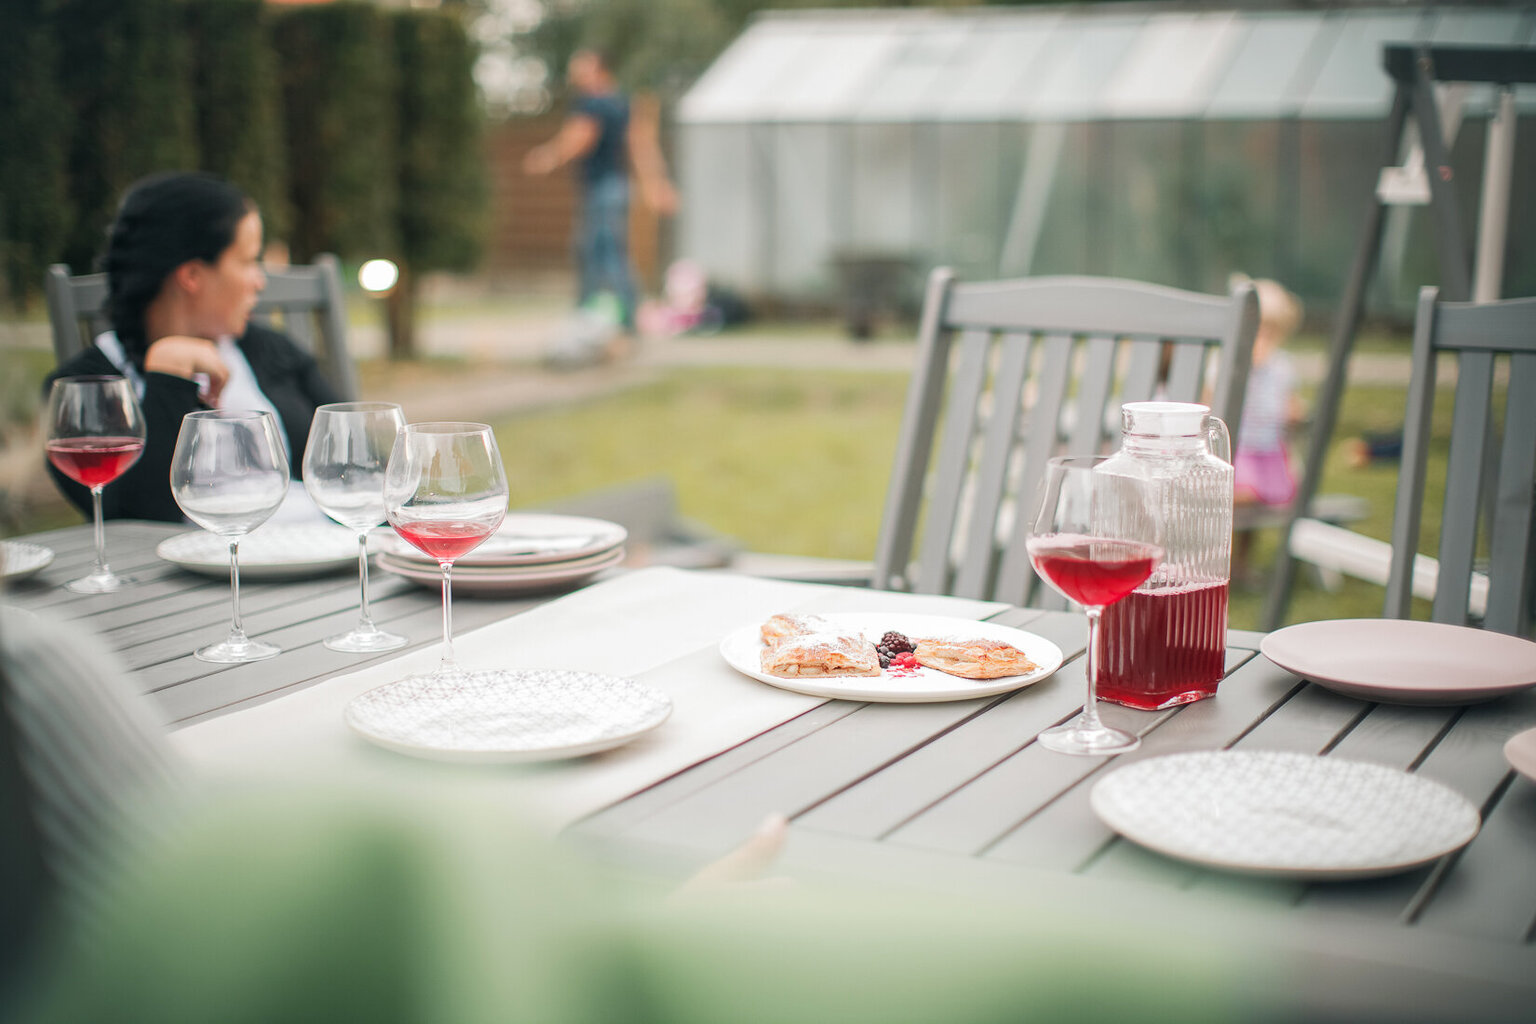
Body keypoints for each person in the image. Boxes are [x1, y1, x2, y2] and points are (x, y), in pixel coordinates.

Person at [44, 172, 339, 523]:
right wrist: (169, 376)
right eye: (247, 261)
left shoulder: (274, 352)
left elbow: (357, 468)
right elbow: (130, 521)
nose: (260, 281)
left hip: (317, 558)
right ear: (193, 276)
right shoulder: (82, 390)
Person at [523, 48, 677, 337]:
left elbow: (580, 139)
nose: (576, 75)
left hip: (602, 189)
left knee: (595, 253)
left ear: (600, 70)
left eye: (582, 69)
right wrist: (657, 184)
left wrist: (548, 156)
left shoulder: (591, 105)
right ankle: (625, 319)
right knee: (611, 253)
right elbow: (642, 148)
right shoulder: (623, 104)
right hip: (619, 188)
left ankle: (588, 317)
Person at [1232, 278, 1306, 581]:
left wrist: (1294, 413)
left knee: (1268, 496)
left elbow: (1291, 404)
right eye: (1257, 328)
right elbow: (1210, 400)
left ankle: (1242, 564)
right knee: (1242, 494)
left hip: (1268, 451)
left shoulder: (1281, 366)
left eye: (1269, 330)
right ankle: (1227, 561)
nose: (1262, 337)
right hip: (1240, 451)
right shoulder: (1231, 362)